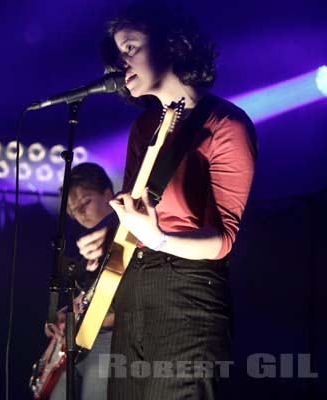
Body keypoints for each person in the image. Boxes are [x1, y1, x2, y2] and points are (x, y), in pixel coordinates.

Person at [76, 3, 258, 399]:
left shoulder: (226, 124)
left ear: (172, 45)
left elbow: (224, 239)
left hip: (188, 293)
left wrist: (157, 237)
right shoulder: (143, 126)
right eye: (117, 53)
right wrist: (109, 240)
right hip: (134, 286)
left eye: (129, 47)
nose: (120, 62)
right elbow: (136, 213)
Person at [44, 162, 117, 400]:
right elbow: (87, 297)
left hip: (109, 340)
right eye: (74, 211)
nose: (80, 214)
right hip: (80, 342)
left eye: (85, 202)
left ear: (108, 194)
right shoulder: (83, 251)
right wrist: (66, 313)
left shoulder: (132, 235)